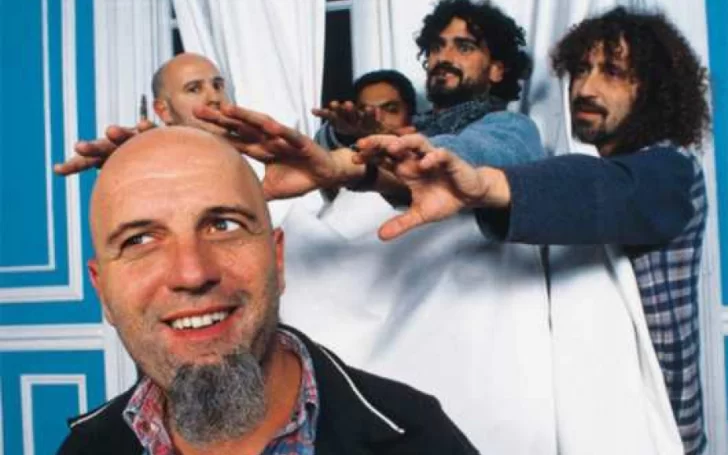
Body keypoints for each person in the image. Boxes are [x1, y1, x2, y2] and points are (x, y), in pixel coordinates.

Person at [352, 7, 709, 454]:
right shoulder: (601, 169)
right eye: (581, 70)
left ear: (653, 89)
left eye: (613, 73)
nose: (585, 88)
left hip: (660, 432)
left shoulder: (672, 170)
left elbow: (605, 191)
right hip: (597, 423)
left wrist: (486, 184)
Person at [57, 126, 477, 455]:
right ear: (102, 290)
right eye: (140, 240)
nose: (192, 273)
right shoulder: (84, 450)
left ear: (277, 259)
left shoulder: (420, 439)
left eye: (223, 225)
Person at [53, 52, 230, 176]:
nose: (215, 97)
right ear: (163, 111)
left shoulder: (244, 156)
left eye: (218, 86)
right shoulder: (159, 173)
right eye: (194, 89)